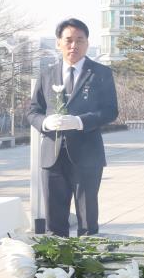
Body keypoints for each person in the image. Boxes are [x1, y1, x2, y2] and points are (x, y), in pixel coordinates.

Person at [27, 18, 118, 237]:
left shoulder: (101, 73)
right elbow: (33, 111)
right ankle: (57, 268)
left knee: (87, 222)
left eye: (80, 40)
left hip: (87, 156)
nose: (73, 45)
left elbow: (110, 111)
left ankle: (87, 268)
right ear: (58, 43)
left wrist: (80, 122)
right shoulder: (47, 74)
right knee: (54, 223)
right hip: (53, 156)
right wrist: (45, 123)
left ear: (87, 43)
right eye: (68, 40)